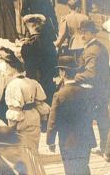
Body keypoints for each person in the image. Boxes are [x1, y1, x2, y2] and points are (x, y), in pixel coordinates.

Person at [47, 55, 95, 175]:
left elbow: (53, 121)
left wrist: (50, 141)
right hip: (85, 139)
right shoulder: (86, 91)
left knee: (71, 170)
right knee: (84, 167)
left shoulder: (59, 95)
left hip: (68, 142)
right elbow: (90, 114)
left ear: (63, 73)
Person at [73, 19, 110, 160]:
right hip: (103, 90)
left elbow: (91, 73)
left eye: (84, 33)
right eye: (81, 33)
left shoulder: (92, 50)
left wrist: (75, 76)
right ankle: (104, 147)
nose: (82, 36)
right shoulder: (98, 46)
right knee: (103, 120)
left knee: (94, 119)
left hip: (95, 92)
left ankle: (102, 149)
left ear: (91, 33)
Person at [4, 59, 50, 154]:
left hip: (22, 120)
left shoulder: (12, 85)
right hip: (34, 117)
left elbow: (14, 110)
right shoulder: (33, 82)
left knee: (23, 153)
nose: (6, 71)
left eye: (7, 68)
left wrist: (11, 129)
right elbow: (40, 104)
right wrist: (44, 120)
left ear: (13, 69)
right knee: (34, 151)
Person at [20, 14, 57, 103]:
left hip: (34, 79)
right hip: (48, 78)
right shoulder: (49, 42)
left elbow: (24, 60)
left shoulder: (28, 44)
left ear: (31, 27)